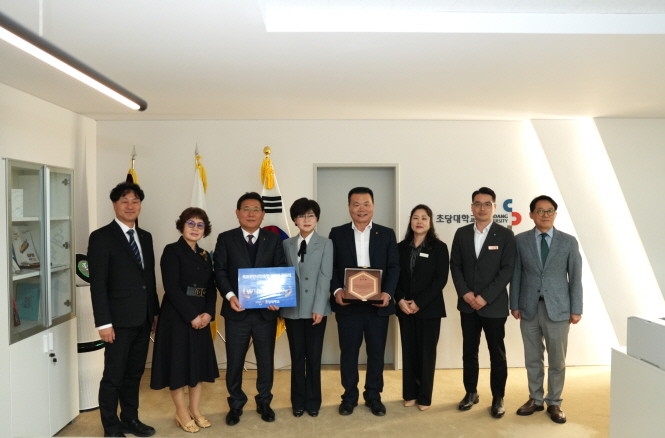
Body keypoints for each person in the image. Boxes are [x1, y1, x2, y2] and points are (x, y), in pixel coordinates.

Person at [88, 182, 159, 437]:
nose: (130, 206)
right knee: (114, 376)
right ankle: (110, 427)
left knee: (134, 374)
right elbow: (98, 284)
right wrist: (103, 323)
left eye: (135, 201)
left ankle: (130, 419)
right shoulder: (101, 237)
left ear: (140, 205)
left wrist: (154, 313)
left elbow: (148, 279)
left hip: (142, 319)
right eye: (124, 201)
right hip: (117, 322)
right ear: (114, 205)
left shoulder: (145, 237)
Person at [214, 192, 287, 426]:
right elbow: (220, 271)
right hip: (237, 311)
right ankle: (236, 403)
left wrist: (276, 297)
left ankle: (264, 401)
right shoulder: (226, 238)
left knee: (265, 360)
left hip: (266, 313)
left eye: (256, 209)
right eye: (246, 209)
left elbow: (280, 269)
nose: (251, 213)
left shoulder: (273, 239)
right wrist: (230, 296)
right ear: (237, 213)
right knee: (235, 361)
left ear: (263, 214)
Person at [510, 195, 583, 424]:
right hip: (528, 307)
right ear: (531, 214)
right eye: (540, 211)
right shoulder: (520, 240)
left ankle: (554, 402)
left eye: (549, 210)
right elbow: (516, 274)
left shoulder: (568, 242)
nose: (545, 215)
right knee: (532, 358)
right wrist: (514, 304)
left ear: (555, 214)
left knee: (557, 360)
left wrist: (576, 308)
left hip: (559, 309)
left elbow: (575, 278)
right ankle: (535, 398)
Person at [329, 187, 399, 417]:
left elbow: (394, 267)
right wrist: (337, 290)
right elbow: (331, 267)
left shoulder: (386, 234)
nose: (361, 209)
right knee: (348, 353)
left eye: (366, 203)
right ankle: (349, 397)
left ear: (373, 206)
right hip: (348, 306)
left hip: (377, 306)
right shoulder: (337, 233)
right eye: (356, 204)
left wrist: (387, 293)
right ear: (349, 207)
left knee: (376, 353)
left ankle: (373, 396)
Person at [150, 208, 219, 433]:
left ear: (205, 229)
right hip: (177, 317)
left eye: (200, 225)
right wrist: (191, 316)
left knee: (196, 366)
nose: (195, 228)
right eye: (191, 223)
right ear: (182, 226)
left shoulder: (205, 255)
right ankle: (181, 412)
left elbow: (211, 287)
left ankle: (195, 410)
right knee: (178, 366)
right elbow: (171, 288)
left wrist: (208, 313)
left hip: (201, 316)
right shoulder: (172, 251)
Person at [450, 186, 515, 419]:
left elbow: (507, 270)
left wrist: (485, 296)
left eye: (487, 204)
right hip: (467, 305)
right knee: (469, 351)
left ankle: (498, 397)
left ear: (494, 207)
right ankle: (471, 392)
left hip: (494, 306)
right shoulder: (461, 233)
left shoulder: (505, 235)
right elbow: (455, 266)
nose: (482, 208)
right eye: (477, 203)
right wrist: (465, 293)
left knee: (497, 353)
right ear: (471, 207)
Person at [281, 198, 333, 418]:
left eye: (311, 215)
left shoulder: (326, 244)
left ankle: (313, 400)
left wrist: (319, 307)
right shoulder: (286, 244)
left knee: (313, 357)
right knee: (297, 357)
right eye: (301, 216)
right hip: (292, 309)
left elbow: (325, 277)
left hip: (316, 310)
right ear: (295, 219)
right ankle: (297, 401)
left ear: (317, 218)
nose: (306, 219)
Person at [395, 204, 449, 411]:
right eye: (415, 217)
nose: (419, 221)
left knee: (427, 354)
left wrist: (419, 302)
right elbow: (394, 276)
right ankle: (409, 393)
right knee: (409, 352)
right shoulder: (400, 247)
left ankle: (425, 397)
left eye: (424, 218)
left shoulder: (439, 247)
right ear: (410, 221)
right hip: (404, 308)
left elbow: (440, 280)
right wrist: (400, 299)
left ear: (430, 222)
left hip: (429, 309)